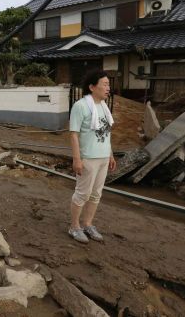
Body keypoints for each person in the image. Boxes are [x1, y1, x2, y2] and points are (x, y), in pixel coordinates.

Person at [68, 70, 116, 244]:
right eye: (104, 84)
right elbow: (74, 134)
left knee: (96, 194)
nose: (108, 88)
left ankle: (88, 224)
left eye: (108, 84)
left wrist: (110, 154)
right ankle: (74, 227)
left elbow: (106, 132)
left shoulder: (104, 107)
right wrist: (77, 159)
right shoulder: (81, 106)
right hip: (88, 158)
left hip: (103, 157)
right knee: (82, 194)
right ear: (92, 87)